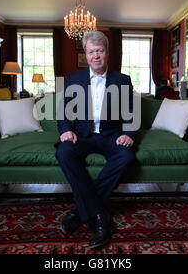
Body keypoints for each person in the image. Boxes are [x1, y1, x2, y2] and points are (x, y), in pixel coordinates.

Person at [55, 31, 137, 249]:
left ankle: (78, 213)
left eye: (100, 51)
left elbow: (131, 113)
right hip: (83, 135)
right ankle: (101, 217)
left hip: (111, 136)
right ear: (86, 54)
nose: (96, 56)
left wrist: (128, 134)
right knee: (63, 152)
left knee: (126, 157)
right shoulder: (74, 79)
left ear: (107, 53)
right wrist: (65, 131)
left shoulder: (122, 80)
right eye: (91, 52)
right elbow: (63, 113)